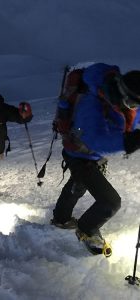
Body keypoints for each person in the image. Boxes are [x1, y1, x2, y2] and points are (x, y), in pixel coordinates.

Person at [51, 63, 140, 251]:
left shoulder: (127, 100)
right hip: (79, 154)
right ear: (123, 94)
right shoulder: (91, 102)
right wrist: (127, 142)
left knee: (78, 184)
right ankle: (87, 230)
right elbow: (95, 140)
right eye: (133, 103)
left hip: (91, 156)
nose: (135, 108)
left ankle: (60, 218)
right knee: (110, 202)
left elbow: (134, 117)